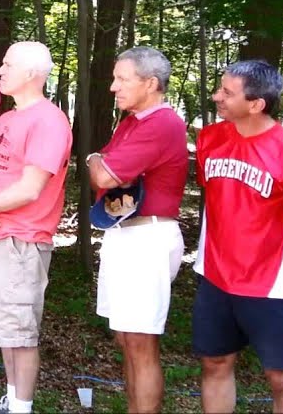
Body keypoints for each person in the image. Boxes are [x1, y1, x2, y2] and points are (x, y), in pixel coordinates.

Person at [0, 41, 72, 414]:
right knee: (4, 330)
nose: (0, 70)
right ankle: (12, 400)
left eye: (8, 65)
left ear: (32, 74)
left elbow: (30, 188)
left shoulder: (49, 121)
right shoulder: (8, 118)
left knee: (20, 333)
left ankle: (22, 408)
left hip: (21, 240)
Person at [193, 60, 283, 414]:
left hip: (271, 284)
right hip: (215, 276)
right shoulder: (209, 138)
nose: (217, 96)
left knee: (282, 378)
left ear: (256, 104)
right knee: (215, 363)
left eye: (227, 92)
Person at [86, 46, 188, 413]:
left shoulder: (163, 123)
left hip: (148, 239)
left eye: (122, 79)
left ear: (151, 83)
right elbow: (103, 172)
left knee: (141, 343)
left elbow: (104, 175)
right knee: (126, 338)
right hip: (125, 233)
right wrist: (99, 160)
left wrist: (96, 159)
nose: (113, 87)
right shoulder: (132, 122)